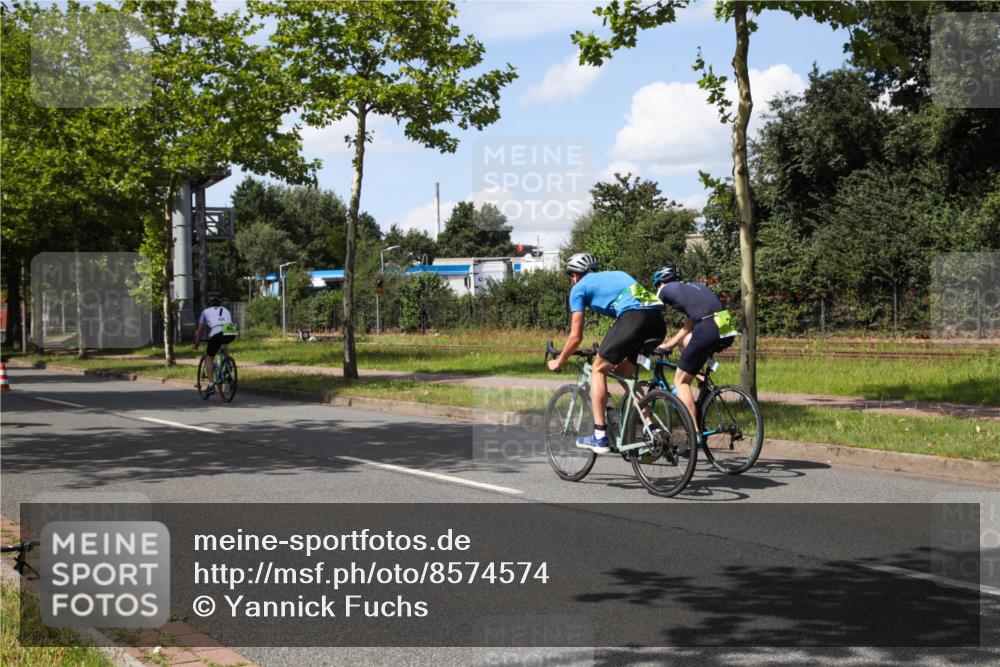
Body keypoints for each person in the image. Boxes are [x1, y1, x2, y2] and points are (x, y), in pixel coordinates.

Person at [547, 253, 666, 453]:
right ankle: (651, 428)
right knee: (623, 374)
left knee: (598, 369)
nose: (572, 280)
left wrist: (559, 361)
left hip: (634, 319)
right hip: (658, 323)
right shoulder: (617, 274)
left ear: (575, 275)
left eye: (571, 277)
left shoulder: (578, 288)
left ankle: (600, 436)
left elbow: (576, 337)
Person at [652, 266, 737, 447]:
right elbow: (688, 327)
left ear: (660, 283)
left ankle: (694, 433)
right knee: (686, 343)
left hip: (708, 327)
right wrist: (668, 345)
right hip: (727, 326)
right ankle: (702, 381)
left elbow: (648, 311)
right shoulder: (693, 289)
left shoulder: (665, 289)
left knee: (680, 381)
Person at [193, 297, 237, 394]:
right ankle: (228, 364)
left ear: (209, 305)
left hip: (217, 332)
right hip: (231, 331)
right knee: (224, 343)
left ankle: (211, 385)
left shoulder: (205, 312)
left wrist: (196, 343)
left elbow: (200, 330)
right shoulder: (225, 310)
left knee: (209, 357)